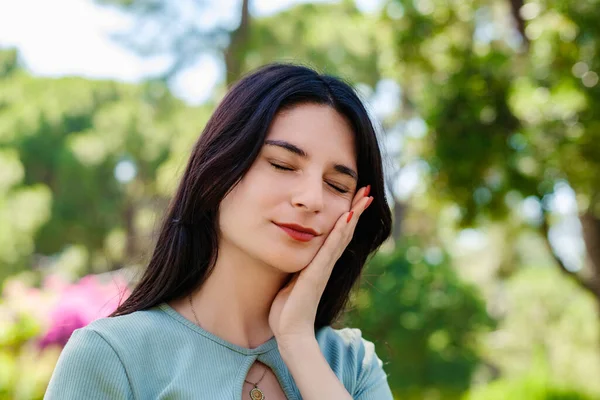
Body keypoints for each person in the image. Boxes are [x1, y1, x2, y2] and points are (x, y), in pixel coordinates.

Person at [44, 63, 393, 400]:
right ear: (219, 169)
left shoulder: (352, 365)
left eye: (336, 185)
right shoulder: (113, 357)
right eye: (282, 165)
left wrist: (297, 341)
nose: (311, 199)